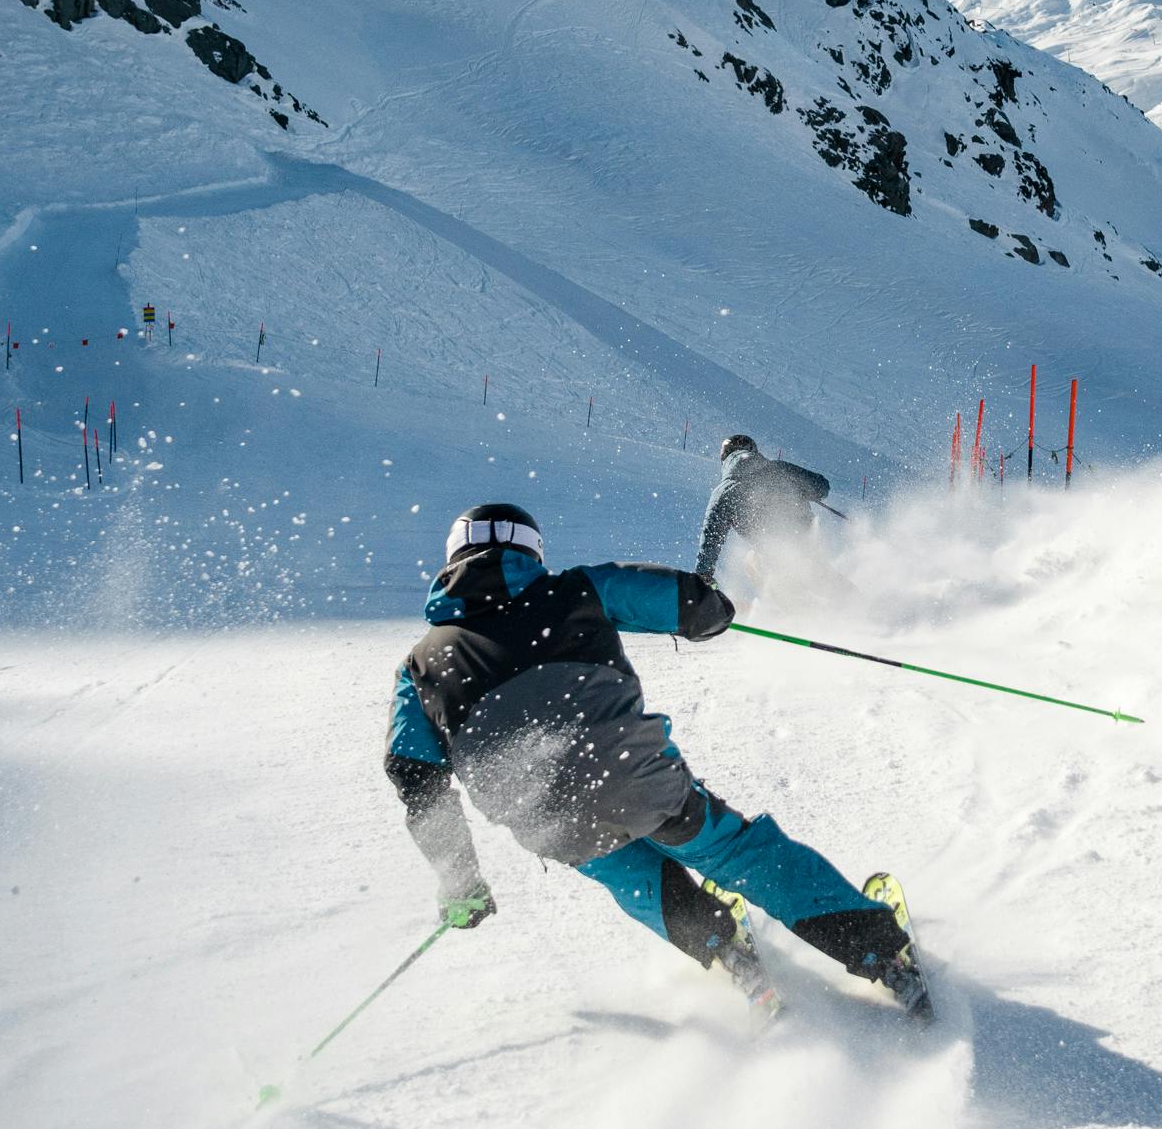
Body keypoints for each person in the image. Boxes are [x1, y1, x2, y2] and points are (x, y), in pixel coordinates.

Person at [383, 501, 929, 1022]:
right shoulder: (575, 589)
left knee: (633, 875)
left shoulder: (421, 665)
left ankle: (723, 949)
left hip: (542, 818)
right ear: (531, 551)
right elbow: (688, 601)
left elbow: (416, 779)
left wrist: (461, 882)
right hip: (629, 775)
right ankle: (879, 950)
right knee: (734, 850)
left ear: (452, 559)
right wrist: (710, 613)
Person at [696, 434, 833, 581]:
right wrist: (804, 489)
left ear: (724, 458)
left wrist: (703, 576)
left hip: (773, 553)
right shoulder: (779, 468)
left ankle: (787, 597)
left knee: (753, 561)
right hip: (805, 542)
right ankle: (846, 594)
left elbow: (711, 538)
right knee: (818, 573)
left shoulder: (724, 491)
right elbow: (822, 487)